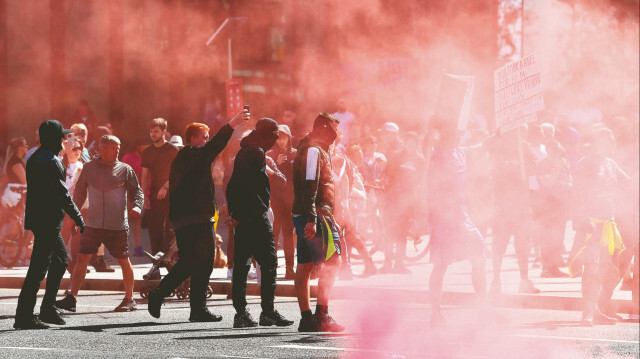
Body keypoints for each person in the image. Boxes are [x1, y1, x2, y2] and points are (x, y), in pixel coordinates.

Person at [147, 111, 248, 322]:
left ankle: (191, 307)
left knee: (194, 262)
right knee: (200, 262)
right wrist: (234, 123)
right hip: (196, 219)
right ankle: (176, 300)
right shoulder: (193, 154)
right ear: (193, 139)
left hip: (188, 219)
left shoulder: (185, 157)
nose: (207, 140)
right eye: (204, 136)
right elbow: (217, 144)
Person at [55, 135, 143, 313]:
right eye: (113, 148)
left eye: (118, 147)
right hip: (93, 224)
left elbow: (137, 192)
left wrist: (137, 206)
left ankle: (129, 299)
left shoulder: (125, 169)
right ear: (102, 149)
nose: (117, 151)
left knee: (123, 260)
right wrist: (73, 217)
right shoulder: (88, 169)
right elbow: (78, 195)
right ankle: (72, 298)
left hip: (117, 225)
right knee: (82, 258)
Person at [14, 120, 84, 330]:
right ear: (54, 138)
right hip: (48, 222)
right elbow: (63, 194)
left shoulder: (36, 157)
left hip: (41, 220)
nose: (64, 140)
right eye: (61, 136)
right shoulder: (52, 161)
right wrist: (79, 218)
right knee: (39, 269)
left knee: (60, 261)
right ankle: (26, 316)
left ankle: (46, 309)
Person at [226, 117, 294, 328]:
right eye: (274, 136)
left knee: (242, 265)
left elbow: (232, 187)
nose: (275, 140)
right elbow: (257, 186)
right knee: (270, 262)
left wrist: (235, 213)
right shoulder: (257, 153)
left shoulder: (243, 153)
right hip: (257, 215)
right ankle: (268, 312)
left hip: (244, 217)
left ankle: (241, 314)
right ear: (267, 135)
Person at [425, 119, 487, 327]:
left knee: (479, 255)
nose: (459, 136)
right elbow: (426, 150)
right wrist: (431, 126)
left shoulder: (461, 151)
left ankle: (483, 308)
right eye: (454, 133)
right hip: (443, 218)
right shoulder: (436, 154)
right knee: (441, 265)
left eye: (459, 133)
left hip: (461, 216)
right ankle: (435, 315)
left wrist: (500, 134)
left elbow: (482, 146)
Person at [569, 126, 630, 326]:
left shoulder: (611, 163)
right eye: (606, 141)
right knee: (592, 268)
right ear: (596, 143)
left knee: (607, 268)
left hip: (608, 223)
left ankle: (595, 309)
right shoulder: (584, 164)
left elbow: (628, 183)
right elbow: (576, 194)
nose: (611, 146)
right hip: (591, 223)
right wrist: (580, 217)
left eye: (612, 142)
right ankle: (587, 313)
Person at [292, 112, 344, 332]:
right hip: (316, 215)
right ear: (322, 129)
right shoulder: (313, 150)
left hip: (307, 213)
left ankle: (307, 319)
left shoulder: (312, 148)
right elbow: (310, 185)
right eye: (333, 130)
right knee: (334, 261)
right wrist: (312, 220)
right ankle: (321, 316)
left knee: (304, 265)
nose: (336, 135)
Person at [141, 118, 179, 277]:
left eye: (156, 131)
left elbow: (178, 173)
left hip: (171, 195)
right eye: (151, 131)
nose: (153, 134)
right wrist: (144, 195)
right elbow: (144, 175)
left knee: (170, 231)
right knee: (154, 230)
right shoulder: (147, 151)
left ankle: (170, 263)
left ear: (164, 132)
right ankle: (155, 266)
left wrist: (165, 186)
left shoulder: (172, 150)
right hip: (154, 195)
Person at [266, 124, 297, 279]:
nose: (281, 141)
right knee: (273, 234)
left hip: (290, 201)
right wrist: (276, 164)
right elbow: (268, 179)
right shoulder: (270, 155)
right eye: (278, 138)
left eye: (284, 137)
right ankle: (271, 268)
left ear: (289, 137)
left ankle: (290, 269)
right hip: (275, 201)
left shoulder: (296, 154)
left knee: (289, 235)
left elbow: (297, 178)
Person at [122, 141, 146, 256]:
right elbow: (124, 175)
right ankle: (121, 247)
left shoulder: (146, 157)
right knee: (124, 221)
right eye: (144, 144)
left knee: (138, 220)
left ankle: (138, 246)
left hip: (140, 193)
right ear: (138, 145)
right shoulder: (128, 157)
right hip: (127, 193)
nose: (146, 147)